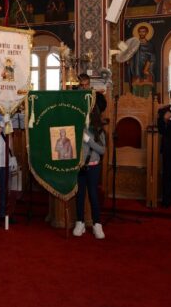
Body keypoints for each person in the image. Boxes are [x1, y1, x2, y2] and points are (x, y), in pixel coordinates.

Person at [72, 102, 107, 239]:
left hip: (93, 167)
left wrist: (88, 140)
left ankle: (97, 224)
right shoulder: (78, 126)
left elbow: (102, 150)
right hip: (80, 167)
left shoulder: (98, 130)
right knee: (80, 195)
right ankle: (79, 222)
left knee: (93, 195)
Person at [129, 24, 156, 97]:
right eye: (140, 32)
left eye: (143, 31)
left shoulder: (150, 45)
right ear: (138, 32)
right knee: (136, 89)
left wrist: (146, 69)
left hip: (146, 69)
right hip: (136, 69)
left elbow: (151, 58)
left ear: (146, 33)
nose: (141, 33)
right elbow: (131, 55)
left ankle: (146, 103)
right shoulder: (135, 44)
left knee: (146, 89)